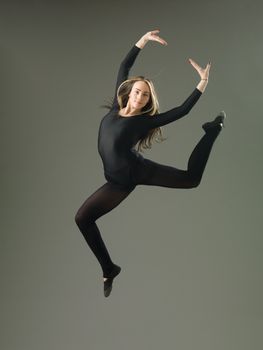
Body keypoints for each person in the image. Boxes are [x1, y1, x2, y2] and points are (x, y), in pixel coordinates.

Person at [75, 30, 226, 297]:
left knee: (192, 179)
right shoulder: (114, 109)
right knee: (83, 219)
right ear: (129, 91)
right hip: (115, 183)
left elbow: (182, 111)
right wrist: (142, 41)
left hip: (135, 172)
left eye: (145, 95)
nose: (140, 97)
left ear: (147, 101)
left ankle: (211, 132)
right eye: (137, 91)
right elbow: (124, 66)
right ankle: (109, 269)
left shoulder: (144, 121)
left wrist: (202, 82)